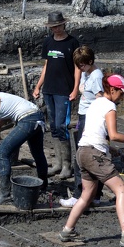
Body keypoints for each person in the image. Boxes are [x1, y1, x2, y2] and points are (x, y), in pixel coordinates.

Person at [59, 75, 124, 247]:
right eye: (121, 93)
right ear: (113, 90)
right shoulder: (110, 106)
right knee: (122, 190)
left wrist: (112, 149)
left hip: (82, 152)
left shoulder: (96, 103)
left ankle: (67, 230)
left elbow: (96, 132)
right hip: (94, 154)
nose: (122, 98)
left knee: (86, 195)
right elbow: (114, 135)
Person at [32, 12, 81, 180]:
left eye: (58, 26)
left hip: (64, 91)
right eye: (53, 27)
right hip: (49, 89)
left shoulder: (72, 42)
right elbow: (46, 65)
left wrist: (75, 89)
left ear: (64, 25)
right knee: (52, 125)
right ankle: (57, 163)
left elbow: (77, 68)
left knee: (62, 126)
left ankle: (67, 165)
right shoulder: (48, 42)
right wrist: (39, 85)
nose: (56, 29)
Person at [61, 46, 104, 208]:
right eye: (78, 66)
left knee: (82, 156)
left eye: (82, 65)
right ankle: (95, 195)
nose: (80, 69)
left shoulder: (96, 77)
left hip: (90, 118)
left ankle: (79, 194)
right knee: (92, 155)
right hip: (84, 116)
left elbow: (100, 99)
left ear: (90, 62)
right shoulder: (88, 74)